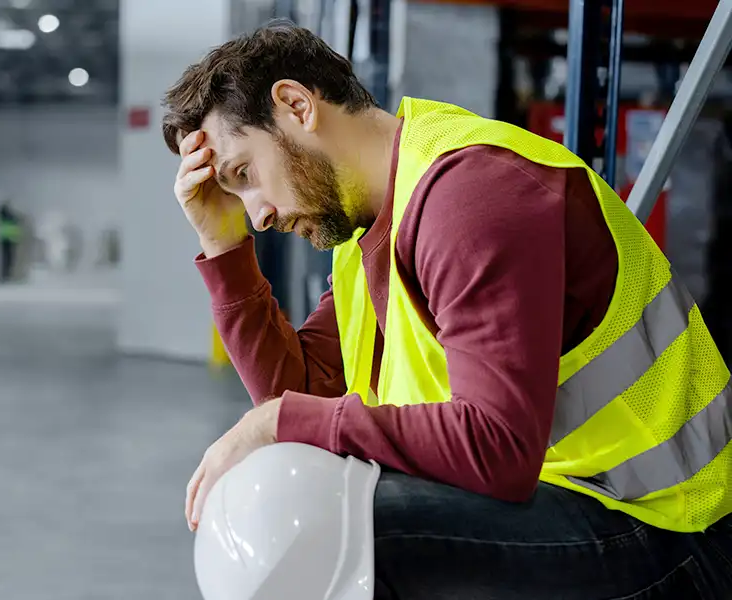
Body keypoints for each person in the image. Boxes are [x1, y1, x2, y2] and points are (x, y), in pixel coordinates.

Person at [163, 22, 732, 599]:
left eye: (244, 175)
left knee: (331, 528)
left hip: (673, 529)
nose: (257, 216)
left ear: (295, 105)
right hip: (570, 499)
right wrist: (223, 246)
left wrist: (276, 421)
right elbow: (299, 389)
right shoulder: (370, 228)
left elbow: (497, 446)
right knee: (294, 496)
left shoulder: (471, 196)